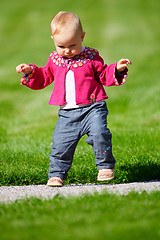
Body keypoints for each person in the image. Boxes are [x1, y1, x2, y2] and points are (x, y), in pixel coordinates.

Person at [16, 11, 131, 187]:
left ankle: (105, 167)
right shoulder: (55, 59)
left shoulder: (91, 56)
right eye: (61, 46)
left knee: (100, 135)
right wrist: (31, 72)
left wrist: (117, 68)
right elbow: (44, 76)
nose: (67, 51)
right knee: (60, 144)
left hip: (93, 108)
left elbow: (103, 74)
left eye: (72, 45)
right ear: (53, 40)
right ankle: (56, 174)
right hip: (67, 114)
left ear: (82, 36)